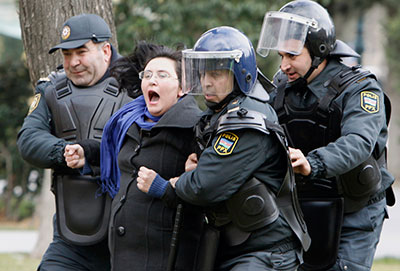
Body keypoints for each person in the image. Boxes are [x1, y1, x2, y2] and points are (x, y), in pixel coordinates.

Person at [137, 26, 310, 271]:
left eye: (216, 74)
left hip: (265, 253)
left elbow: (204, 185)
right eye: (203, 73)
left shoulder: (246, 119)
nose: (206, 82)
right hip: (238, 246)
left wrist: (169, 185)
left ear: (240, 75)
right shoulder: (219, 114)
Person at [256, 1, 394, 270]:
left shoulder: (361, 88)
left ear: (319, 51)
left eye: (292, 56)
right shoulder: (284, 87)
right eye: (281, 56)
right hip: (303, 205)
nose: (283, 65)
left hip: (356, 210)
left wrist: (313, 163)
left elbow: (359, 142)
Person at [64, 41, 204, 271]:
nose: (152, 80)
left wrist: (164, 187)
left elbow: (208, 188)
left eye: (162, 74)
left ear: (183, 88)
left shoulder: (194, 129)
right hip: (123, 258)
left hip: (167, 259)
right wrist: (86, 154)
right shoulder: (132, 121)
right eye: (147, 74)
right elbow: (121, 161)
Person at [17, 14, 132, 271]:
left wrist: (93, 154)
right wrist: (64, 151)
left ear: (105, 50)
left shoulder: (139, 86)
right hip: (71, 240)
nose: (73, 62)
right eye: (67, 54)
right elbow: (28, 139)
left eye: (81, 52)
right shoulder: (52, 90)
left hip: (129, 238)